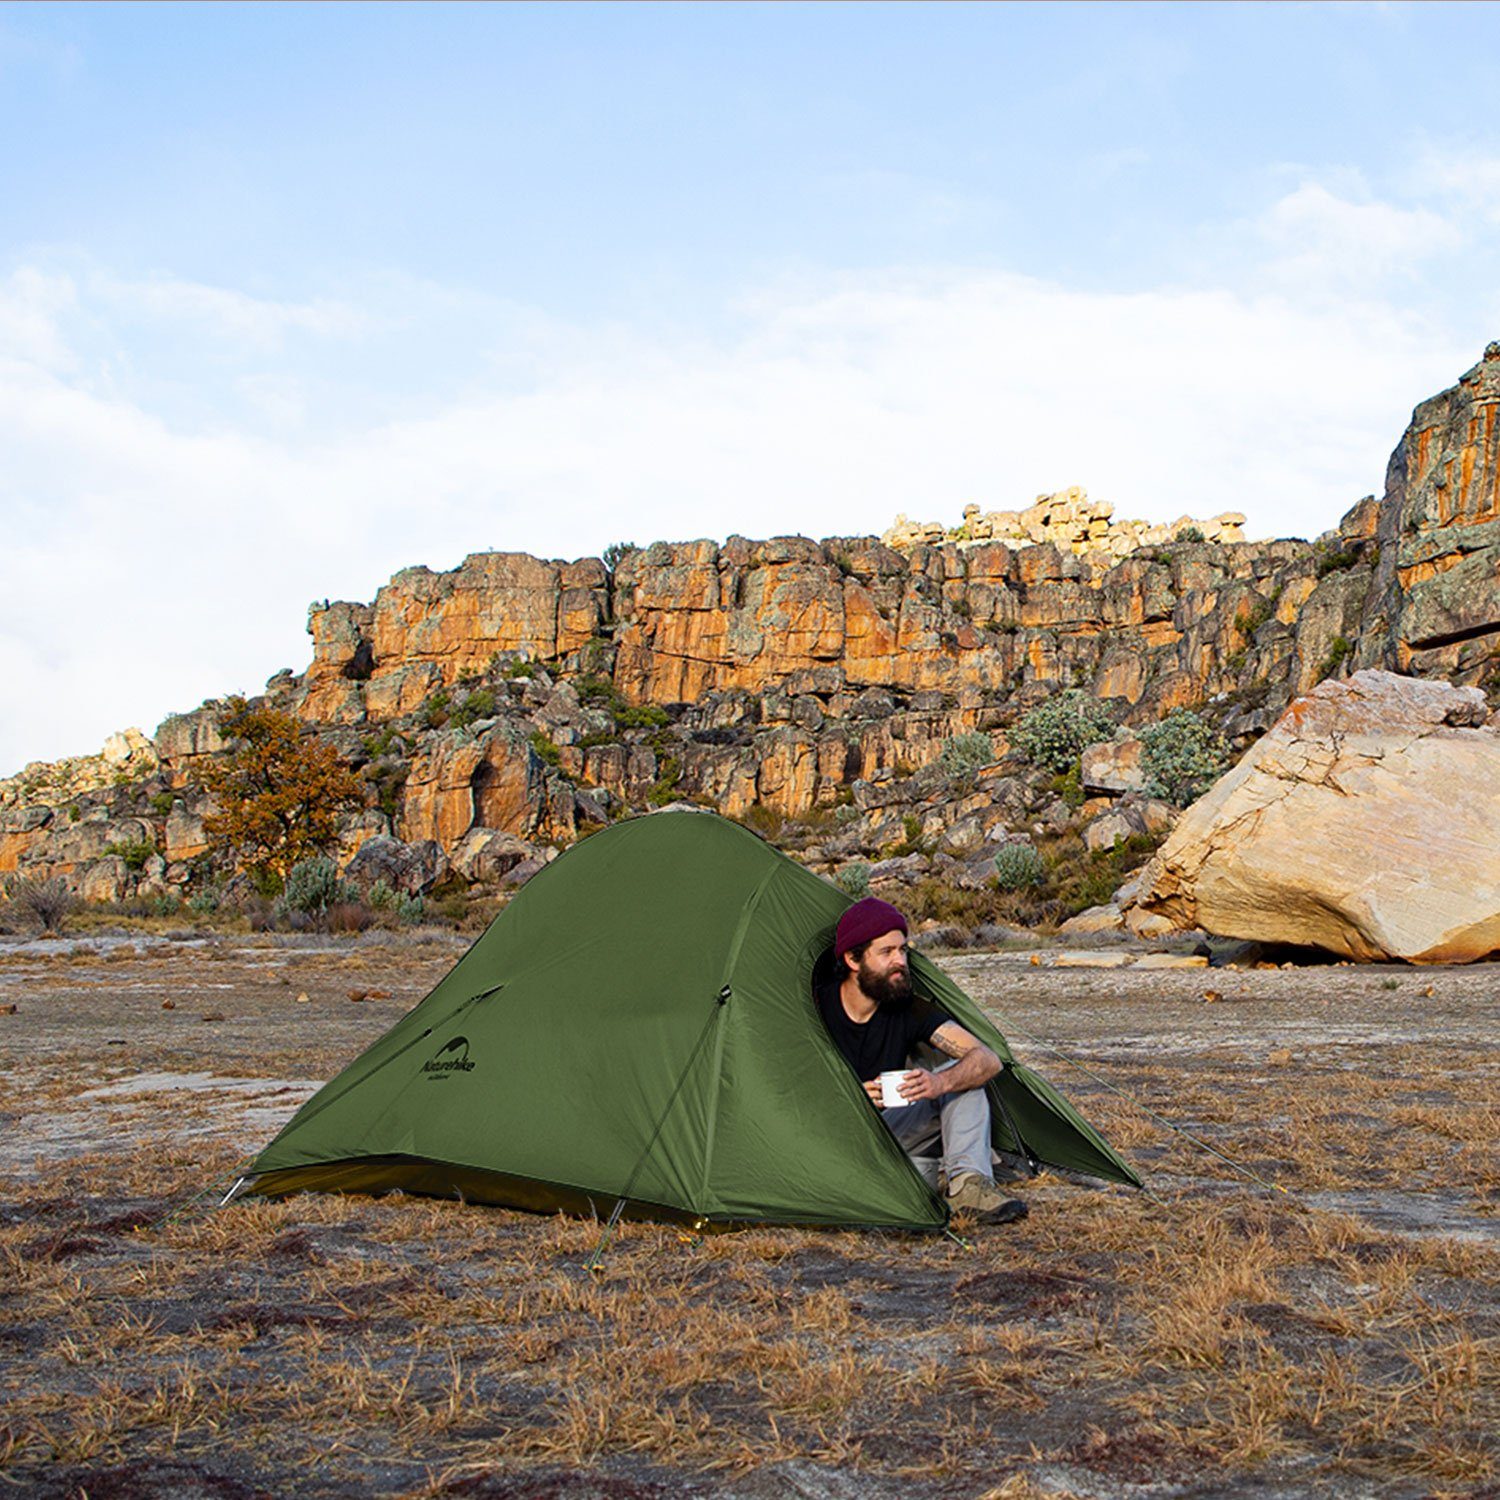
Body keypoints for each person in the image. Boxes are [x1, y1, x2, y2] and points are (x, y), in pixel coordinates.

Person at [815, 896, 1029, 1226]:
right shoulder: (816, 1007)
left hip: (889, 1130)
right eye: (886, 952)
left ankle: (968, 1188)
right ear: (853, 959)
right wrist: (849, 1098)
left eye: (903, 950)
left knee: (964, 1079)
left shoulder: (906, 1007)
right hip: (826, 1137)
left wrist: (937, 1083)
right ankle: (907, 1178)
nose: (900, 961)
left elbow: (988, 1059)